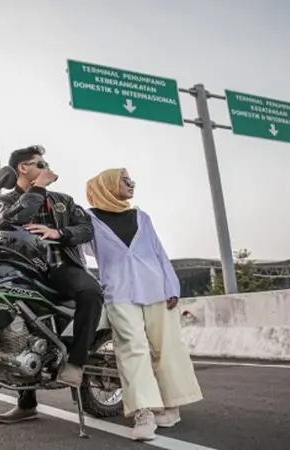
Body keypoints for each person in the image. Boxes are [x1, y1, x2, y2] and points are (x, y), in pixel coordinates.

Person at [83, 167, 203, 442]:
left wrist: (172, 285)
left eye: (131, 180)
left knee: (167, 348)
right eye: (126, 180)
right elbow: (79, 250)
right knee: (131, 349)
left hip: (157, 289)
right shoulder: (90, 220)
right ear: (109, 185)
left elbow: (159, 252)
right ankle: (143, 412)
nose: (131, 184)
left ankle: (171, 407)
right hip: (119, 293)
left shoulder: (141, 216)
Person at [0, 145, 105, 425]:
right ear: (23, 168)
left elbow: (87, 228)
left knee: (91, 291)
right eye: (40, 164)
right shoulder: (3, 202)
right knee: (1, 305)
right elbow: (13, 219)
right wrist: (38, 189)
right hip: (21, 268)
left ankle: (76, 364)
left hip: (60, 266)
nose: (47, 168)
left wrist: (60, 232)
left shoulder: (63, 200)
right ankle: (25, 402)